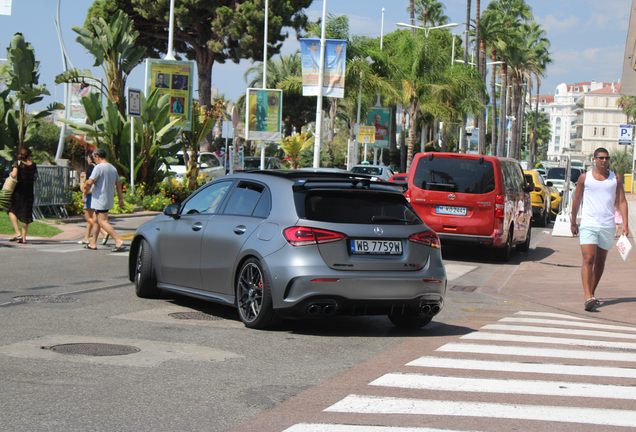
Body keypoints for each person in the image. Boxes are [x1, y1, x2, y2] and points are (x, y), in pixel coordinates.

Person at [570, 148, 629, 311]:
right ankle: (587, 295)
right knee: (588, 258)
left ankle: (592, 292)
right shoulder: (585, 178)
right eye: (601, 158)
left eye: (607, 158)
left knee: (600, 261)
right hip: (589, 224)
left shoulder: (615, 178)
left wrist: (625, 224)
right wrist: (573, 221)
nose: (605, 160)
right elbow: (577, 199)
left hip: (608, 225)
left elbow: (622, 200)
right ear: (594, 159)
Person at [83, 148, 126, 252]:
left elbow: (90, 182)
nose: (94, 160)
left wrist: (84, 191)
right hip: (107, 198)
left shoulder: (98, 168)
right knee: (95, 220)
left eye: (94, 158)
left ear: (97, 157)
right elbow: (118, 184)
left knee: (102, 221)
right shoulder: (112, 168)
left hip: (100, 199)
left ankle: (118, 240)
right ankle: (93, 243)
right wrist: (121, 199)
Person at [7, 148, 38, 244]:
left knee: (11, 210)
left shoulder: (18, 164)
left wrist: (11, 173)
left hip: (19, 192)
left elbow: (14, 175)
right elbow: (35, 177)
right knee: (26, 214)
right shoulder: (33, 165)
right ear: (29, 155)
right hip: (29, 192)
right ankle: (24, 238)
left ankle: (17, 232)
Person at [78, 153, 108, 246]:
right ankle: (86, 238)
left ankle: (104, 232)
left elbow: (88, 182)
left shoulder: (90, 167)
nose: (87, 159)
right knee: (91, 218)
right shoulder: (99, 166)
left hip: (89, 194)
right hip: (96, 194)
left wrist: (83, 194)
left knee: (88, 217)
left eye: (87, 158)